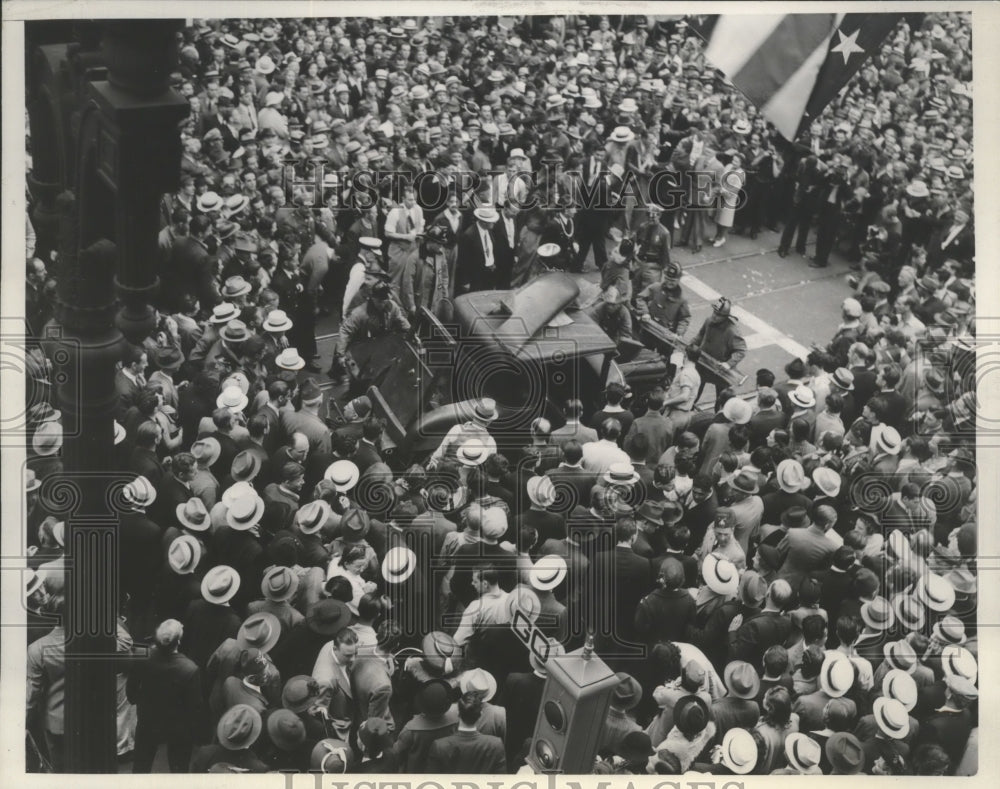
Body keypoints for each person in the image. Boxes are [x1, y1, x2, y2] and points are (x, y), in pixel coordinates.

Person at [128, 619, 207, 773]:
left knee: (140, 767)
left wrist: (142, 703)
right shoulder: (190, 669)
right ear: (178, 641)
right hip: (178, 727)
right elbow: (195, 706)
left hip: (147, 720)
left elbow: (131, 692)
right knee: (178, 769)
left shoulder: (143, 657)